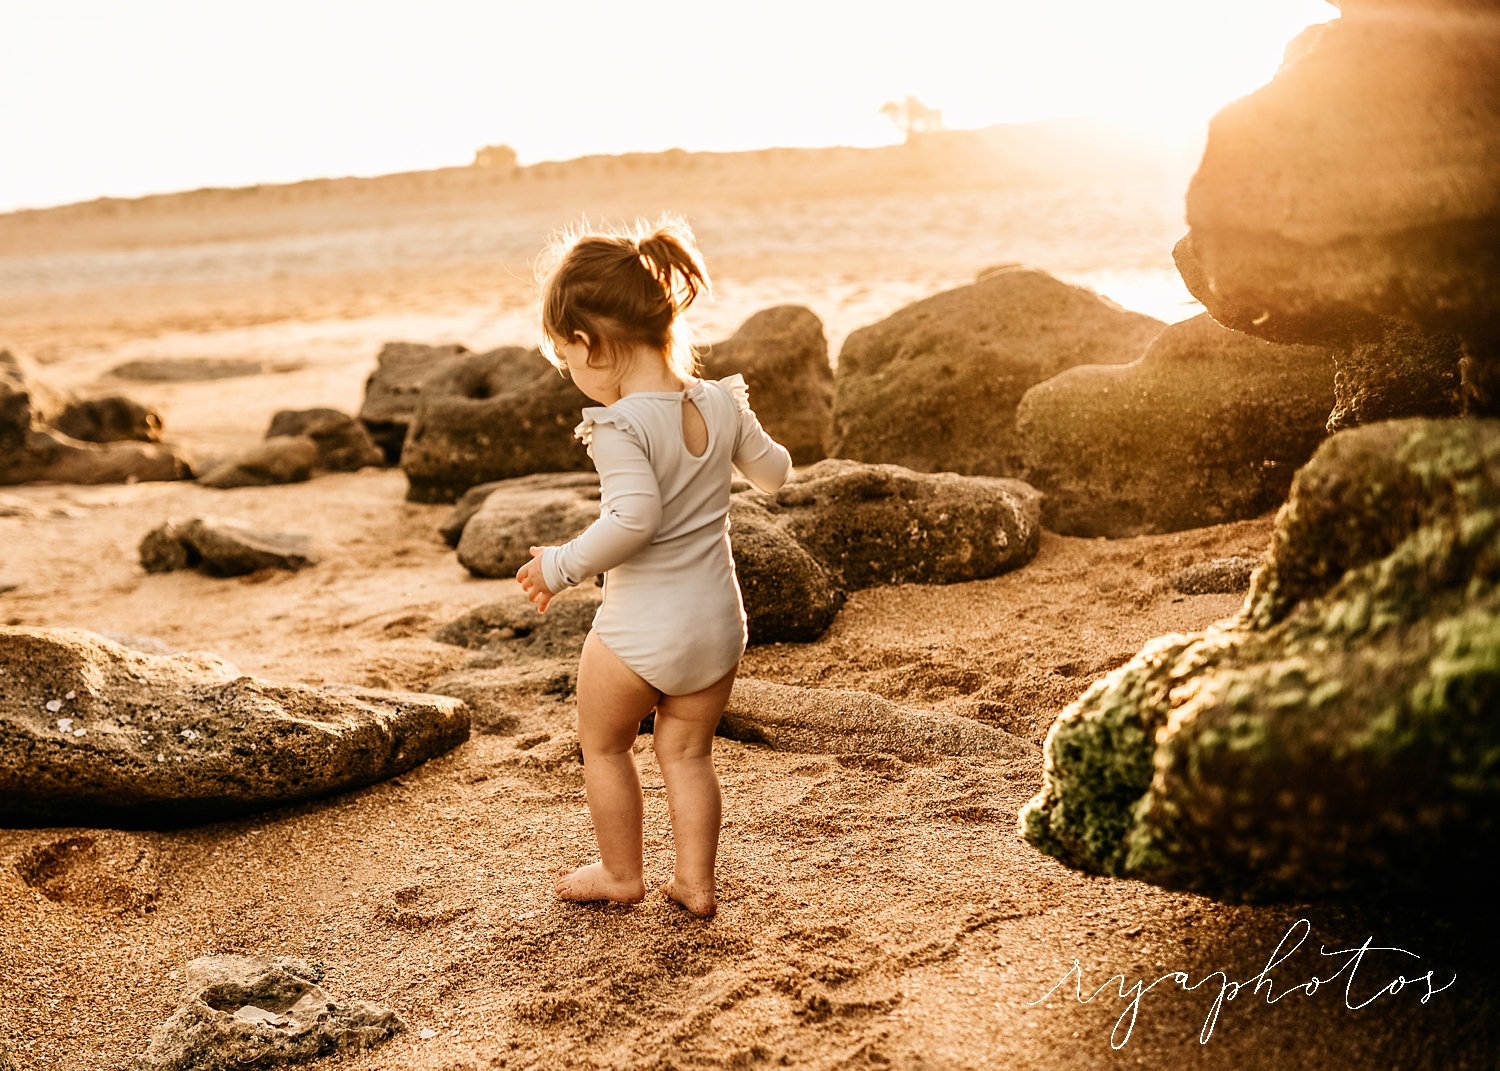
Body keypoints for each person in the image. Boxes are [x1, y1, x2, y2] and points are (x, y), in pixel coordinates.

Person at [516, 216, 793, 917]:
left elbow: (632, 519)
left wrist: (560, 564)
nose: (571, 374)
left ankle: (620, 871)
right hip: (718, 627)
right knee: (687, 752)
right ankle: (696, 884)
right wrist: (741, 414)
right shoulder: (720, 400)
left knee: (604, 745)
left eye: (565, 358)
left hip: (642, 630)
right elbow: (777, 475)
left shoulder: (620, 423)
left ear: (589, 343)